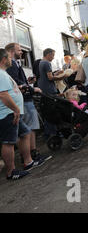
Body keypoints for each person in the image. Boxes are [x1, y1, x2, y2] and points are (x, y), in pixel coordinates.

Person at [0, 49, 48, 180]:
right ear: (4, 59)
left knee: (25, 133)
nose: (11, 59)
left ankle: (28, 162)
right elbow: (3, 95)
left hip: (12, 112)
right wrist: (15, 109)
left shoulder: (3, 73)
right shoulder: (0, 74)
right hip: (8, 113)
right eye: (9, 58)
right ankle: (11, 172)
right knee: (8, 142)